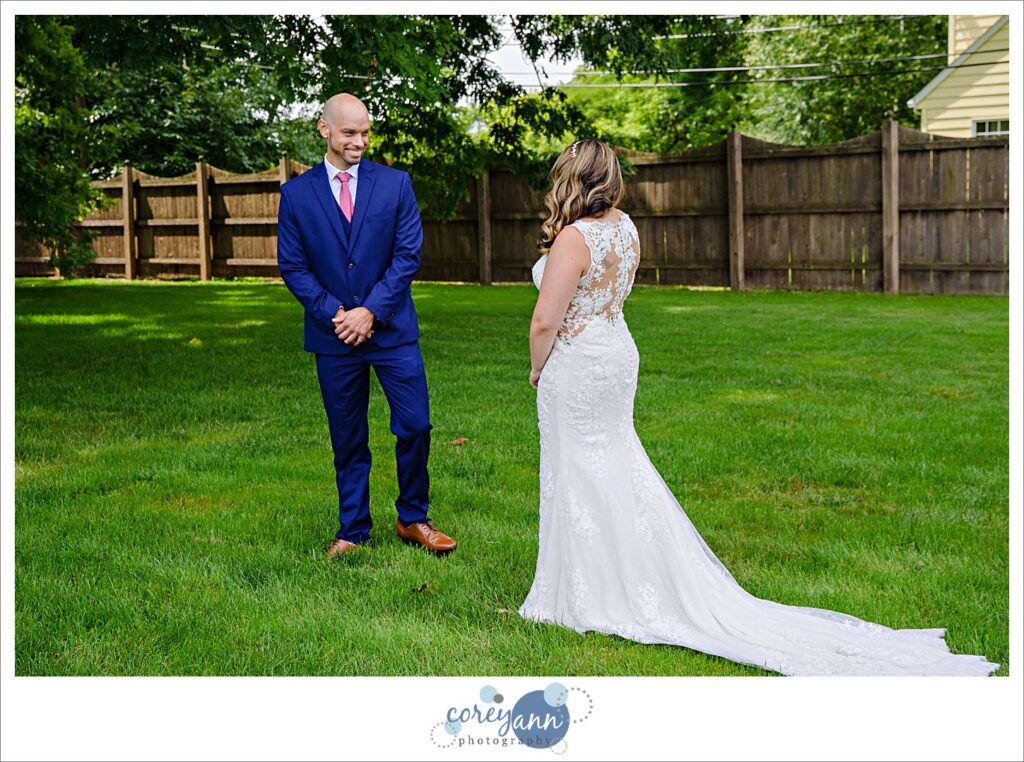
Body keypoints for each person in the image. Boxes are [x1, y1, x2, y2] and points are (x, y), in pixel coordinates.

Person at [517, 138, 998, 676]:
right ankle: (619, 575)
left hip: (579, 364)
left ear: (572, 178)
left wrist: (538, 368)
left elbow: (545, 321)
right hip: (616, 355)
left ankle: (585, 592)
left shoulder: (574, 239)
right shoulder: (626, 228)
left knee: (578, 469)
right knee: (615, 464)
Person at [276, 93, 456, 556]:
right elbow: (293, 266)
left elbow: (407, 255)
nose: (359, 141)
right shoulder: (296, 194)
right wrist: (337, 315)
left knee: (415, 425)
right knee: (348, 437)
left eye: (365, 132)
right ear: (325, 130)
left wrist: (370, 311)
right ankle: (353, 530)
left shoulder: (396, 184)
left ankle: (413, 518)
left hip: (392, 332)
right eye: (350, 132)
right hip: (333, 336)